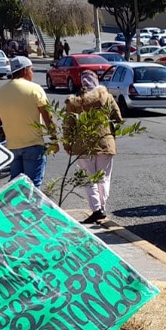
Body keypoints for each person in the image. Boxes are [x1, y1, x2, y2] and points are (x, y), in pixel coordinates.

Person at [64, 70, 123, 224]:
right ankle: (102, 208)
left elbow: (68, 125)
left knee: (89, 178)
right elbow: (118, 117)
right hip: (105, 143)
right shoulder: (107, 97)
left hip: (83, 145)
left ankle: (96, 209)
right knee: (103, 177)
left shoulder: (74, 101)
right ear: (96, 81)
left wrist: (67, 143)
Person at [0, 56, 54, 188]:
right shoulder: (35, 89)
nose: (33, 72)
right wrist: (55, 139)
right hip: (33, 145)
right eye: (32, 69)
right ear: (25, 70)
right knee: (33, 186)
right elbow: (47, 116)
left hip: (12, 147)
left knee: (16, 187)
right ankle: (31, 209)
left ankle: (17, 208)